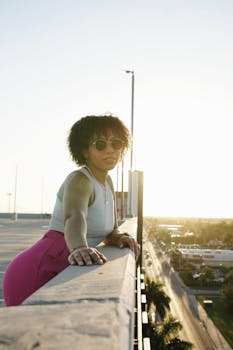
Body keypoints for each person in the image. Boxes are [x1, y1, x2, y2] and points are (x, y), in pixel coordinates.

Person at [3, 114, 140, 306]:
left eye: (116, 143)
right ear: (85, 151)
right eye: (100, 145)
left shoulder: (107, 182)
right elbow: (75, 216)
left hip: (67, 267)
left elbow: (110, 231)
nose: (110, 150)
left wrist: (118, 238)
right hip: (38, 270)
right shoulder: (80, 180)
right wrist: (79, 248)